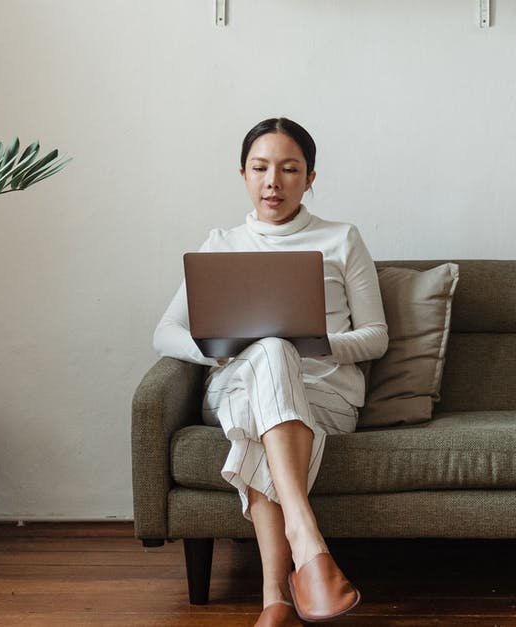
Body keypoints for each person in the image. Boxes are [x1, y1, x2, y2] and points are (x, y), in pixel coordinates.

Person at [153, 117, 387, 626]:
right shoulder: (221, 243)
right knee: (268, 351)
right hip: (237, 382)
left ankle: (275, 600)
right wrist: (220, 351)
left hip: (323, 393)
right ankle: (309, 548)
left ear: (310, 177)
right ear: (243, 174)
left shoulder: (341, 238)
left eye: (289, 169)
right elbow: (164, 332)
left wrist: (312, 344)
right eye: (260, 168)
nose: (273, 182)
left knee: (274, 360)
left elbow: (376, 336)